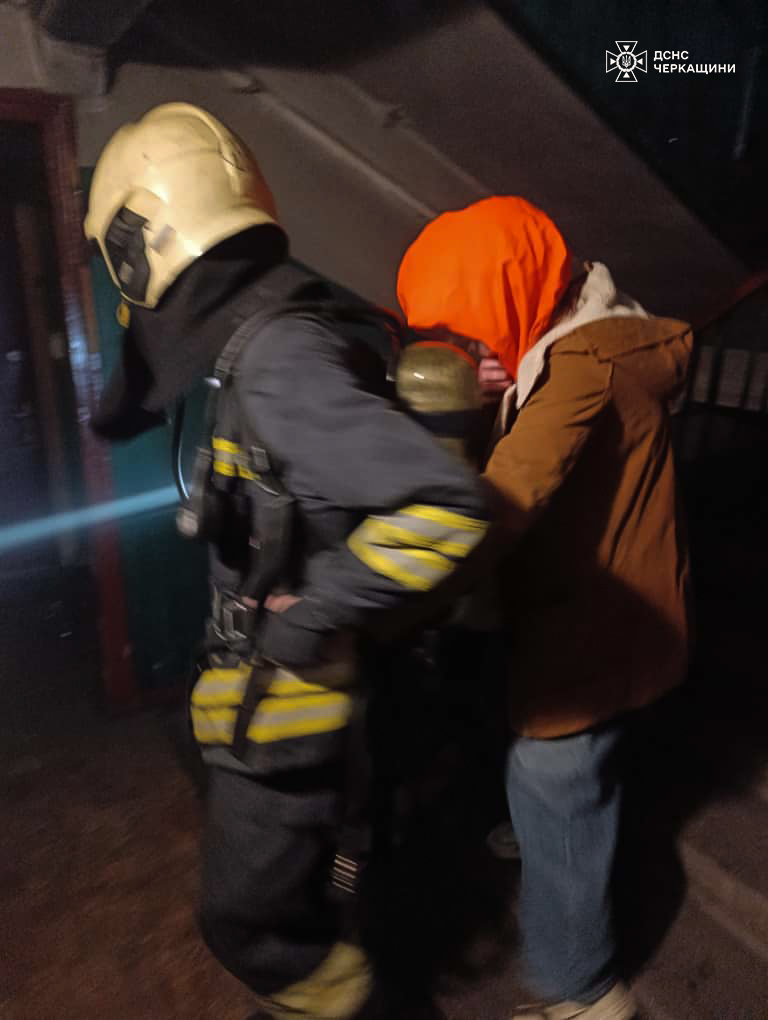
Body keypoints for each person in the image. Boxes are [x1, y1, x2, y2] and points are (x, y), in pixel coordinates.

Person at [84, 103, 491, 1020]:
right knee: (308, 888)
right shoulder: (263, 329)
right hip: (273, 680)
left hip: (292, 693)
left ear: (139, 243)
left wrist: (308, 619)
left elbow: (443, 507)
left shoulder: (276, 357)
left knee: (245, 923)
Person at [396, 195, 692, 1020]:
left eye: (473, 330)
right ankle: (546, 837)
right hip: (591, 601)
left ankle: (583, 990)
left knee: (553, 771)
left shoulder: (582, 365)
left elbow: (509, 493)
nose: (467, 350)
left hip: (601, 615)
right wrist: (497, 384)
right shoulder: (579, 337)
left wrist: (382, 585)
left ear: (518, 296)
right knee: (563, 769)